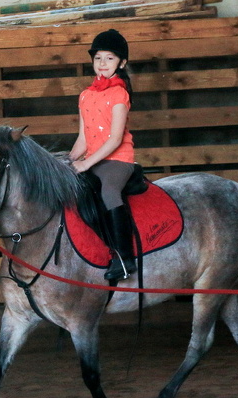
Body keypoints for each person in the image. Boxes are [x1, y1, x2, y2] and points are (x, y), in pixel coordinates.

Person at [69, 28, 137, 281]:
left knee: (109, 191)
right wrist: (69, 161)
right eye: (98, 58)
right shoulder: (85, 95)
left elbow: (115, 139)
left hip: (117, 160)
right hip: (91, 159)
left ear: (122, 63)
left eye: (109, 58)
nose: (102, 64)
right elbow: (83, 138)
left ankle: (123, 257)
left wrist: (86, 164)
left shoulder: (120, 94)